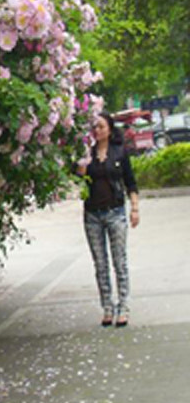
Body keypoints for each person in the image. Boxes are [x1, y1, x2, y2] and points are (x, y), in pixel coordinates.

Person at [76, 112, 140, 327]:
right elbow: (78, 178)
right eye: (95, 127)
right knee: (100, 264)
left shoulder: (119, 152)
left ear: (110, 129)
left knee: (119, 261)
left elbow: (130, 182)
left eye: (101, 127)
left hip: (115, 212)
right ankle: (107, 306)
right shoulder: (88, 153)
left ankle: (123, 306)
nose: (98, 130)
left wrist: (135, 209)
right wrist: (81, 166)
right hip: (93, 214)